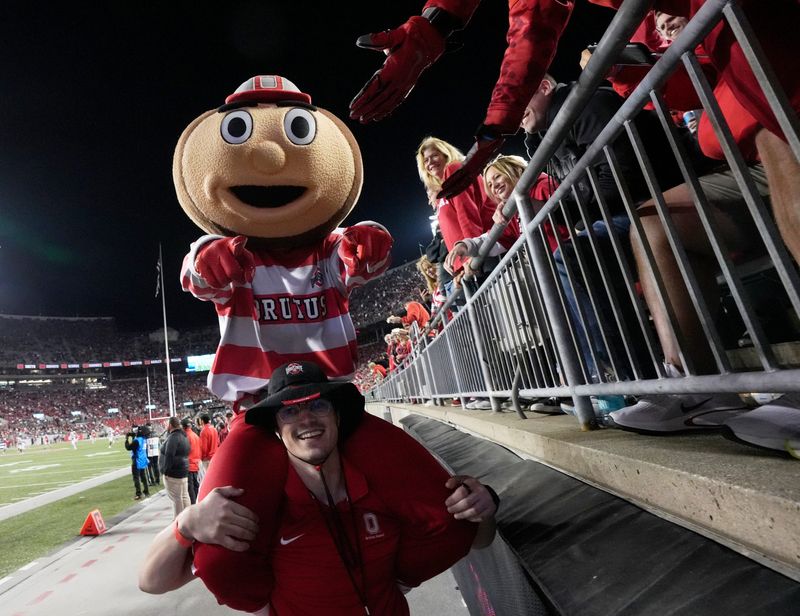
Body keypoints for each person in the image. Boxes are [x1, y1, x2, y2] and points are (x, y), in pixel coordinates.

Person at [139, 360, 497, 615]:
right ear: (276, 431)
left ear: (337, 416)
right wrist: (185, 523)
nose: (306, 419)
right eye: (289, 412)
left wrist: (482, 507)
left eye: (318, 405)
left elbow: (478, 538)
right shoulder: (265, 512)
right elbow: (151, 583)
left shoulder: (380, 493)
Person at [160, 417, 191, 519]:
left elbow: (169, 454)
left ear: (170, 425)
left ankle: (178, 521)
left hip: (174, 473)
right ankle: (188, 518)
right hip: (183, 470)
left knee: (176, 498)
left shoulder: (174, 437)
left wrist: (166, 471)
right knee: (184, 496)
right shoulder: (184, 435)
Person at [125, 427, 150, 501]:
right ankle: (146, 492)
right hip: (143, 460)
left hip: (137, 461)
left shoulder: (137, 441)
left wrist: (126, 439)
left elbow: (129, 447)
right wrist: (133, 437)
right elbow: (136, 447)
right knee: (143, 477)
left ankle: (138, 494)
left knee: (136, 478)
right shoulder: (144, 440)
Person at [181, 418, 201, 505]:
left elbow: (184, 451)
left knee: (190, 487)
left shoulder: (186, 436)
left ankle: (194, 505)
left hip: (189, 464)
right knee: (196, 486)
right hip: (196, 464)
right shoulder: (195, 435)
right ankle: (198, 502)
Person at [197, 413, 219, 477]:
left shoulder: (204, 431)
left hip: (207, 458)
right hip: (215, 456)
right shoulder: (214, 429)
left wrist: (202, 458)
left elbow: (204, 447)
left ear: (202, 421)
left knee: (208, 477)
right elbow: (218, 442)